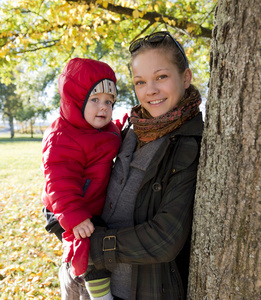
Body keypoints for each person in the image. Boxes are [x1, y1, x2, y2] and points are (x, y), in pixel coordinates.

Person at [45, 31, 203, 299]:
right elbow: (66, 175)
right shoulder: (132, 125)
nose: (150, 90)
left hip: (133, 289)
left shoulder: (189, 144)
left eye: (161, 77)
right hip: (79, 278)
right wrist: (59, 215)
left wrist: (92, 245)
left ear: (186, 77)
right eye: (140, 82)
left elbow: (165, 238)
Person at [41, 57, 126, 300]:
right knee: (89, 250)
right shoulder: (62, 137)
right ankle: (100, 297)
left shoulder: (104, 129)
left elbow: (113, 137)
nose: (104, 107)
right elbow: (59, 181)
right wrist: (75, 217)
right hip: (64, 209)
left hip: (85, 204)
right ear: (75, 100)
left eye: (109, 101)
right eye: (95, 100)